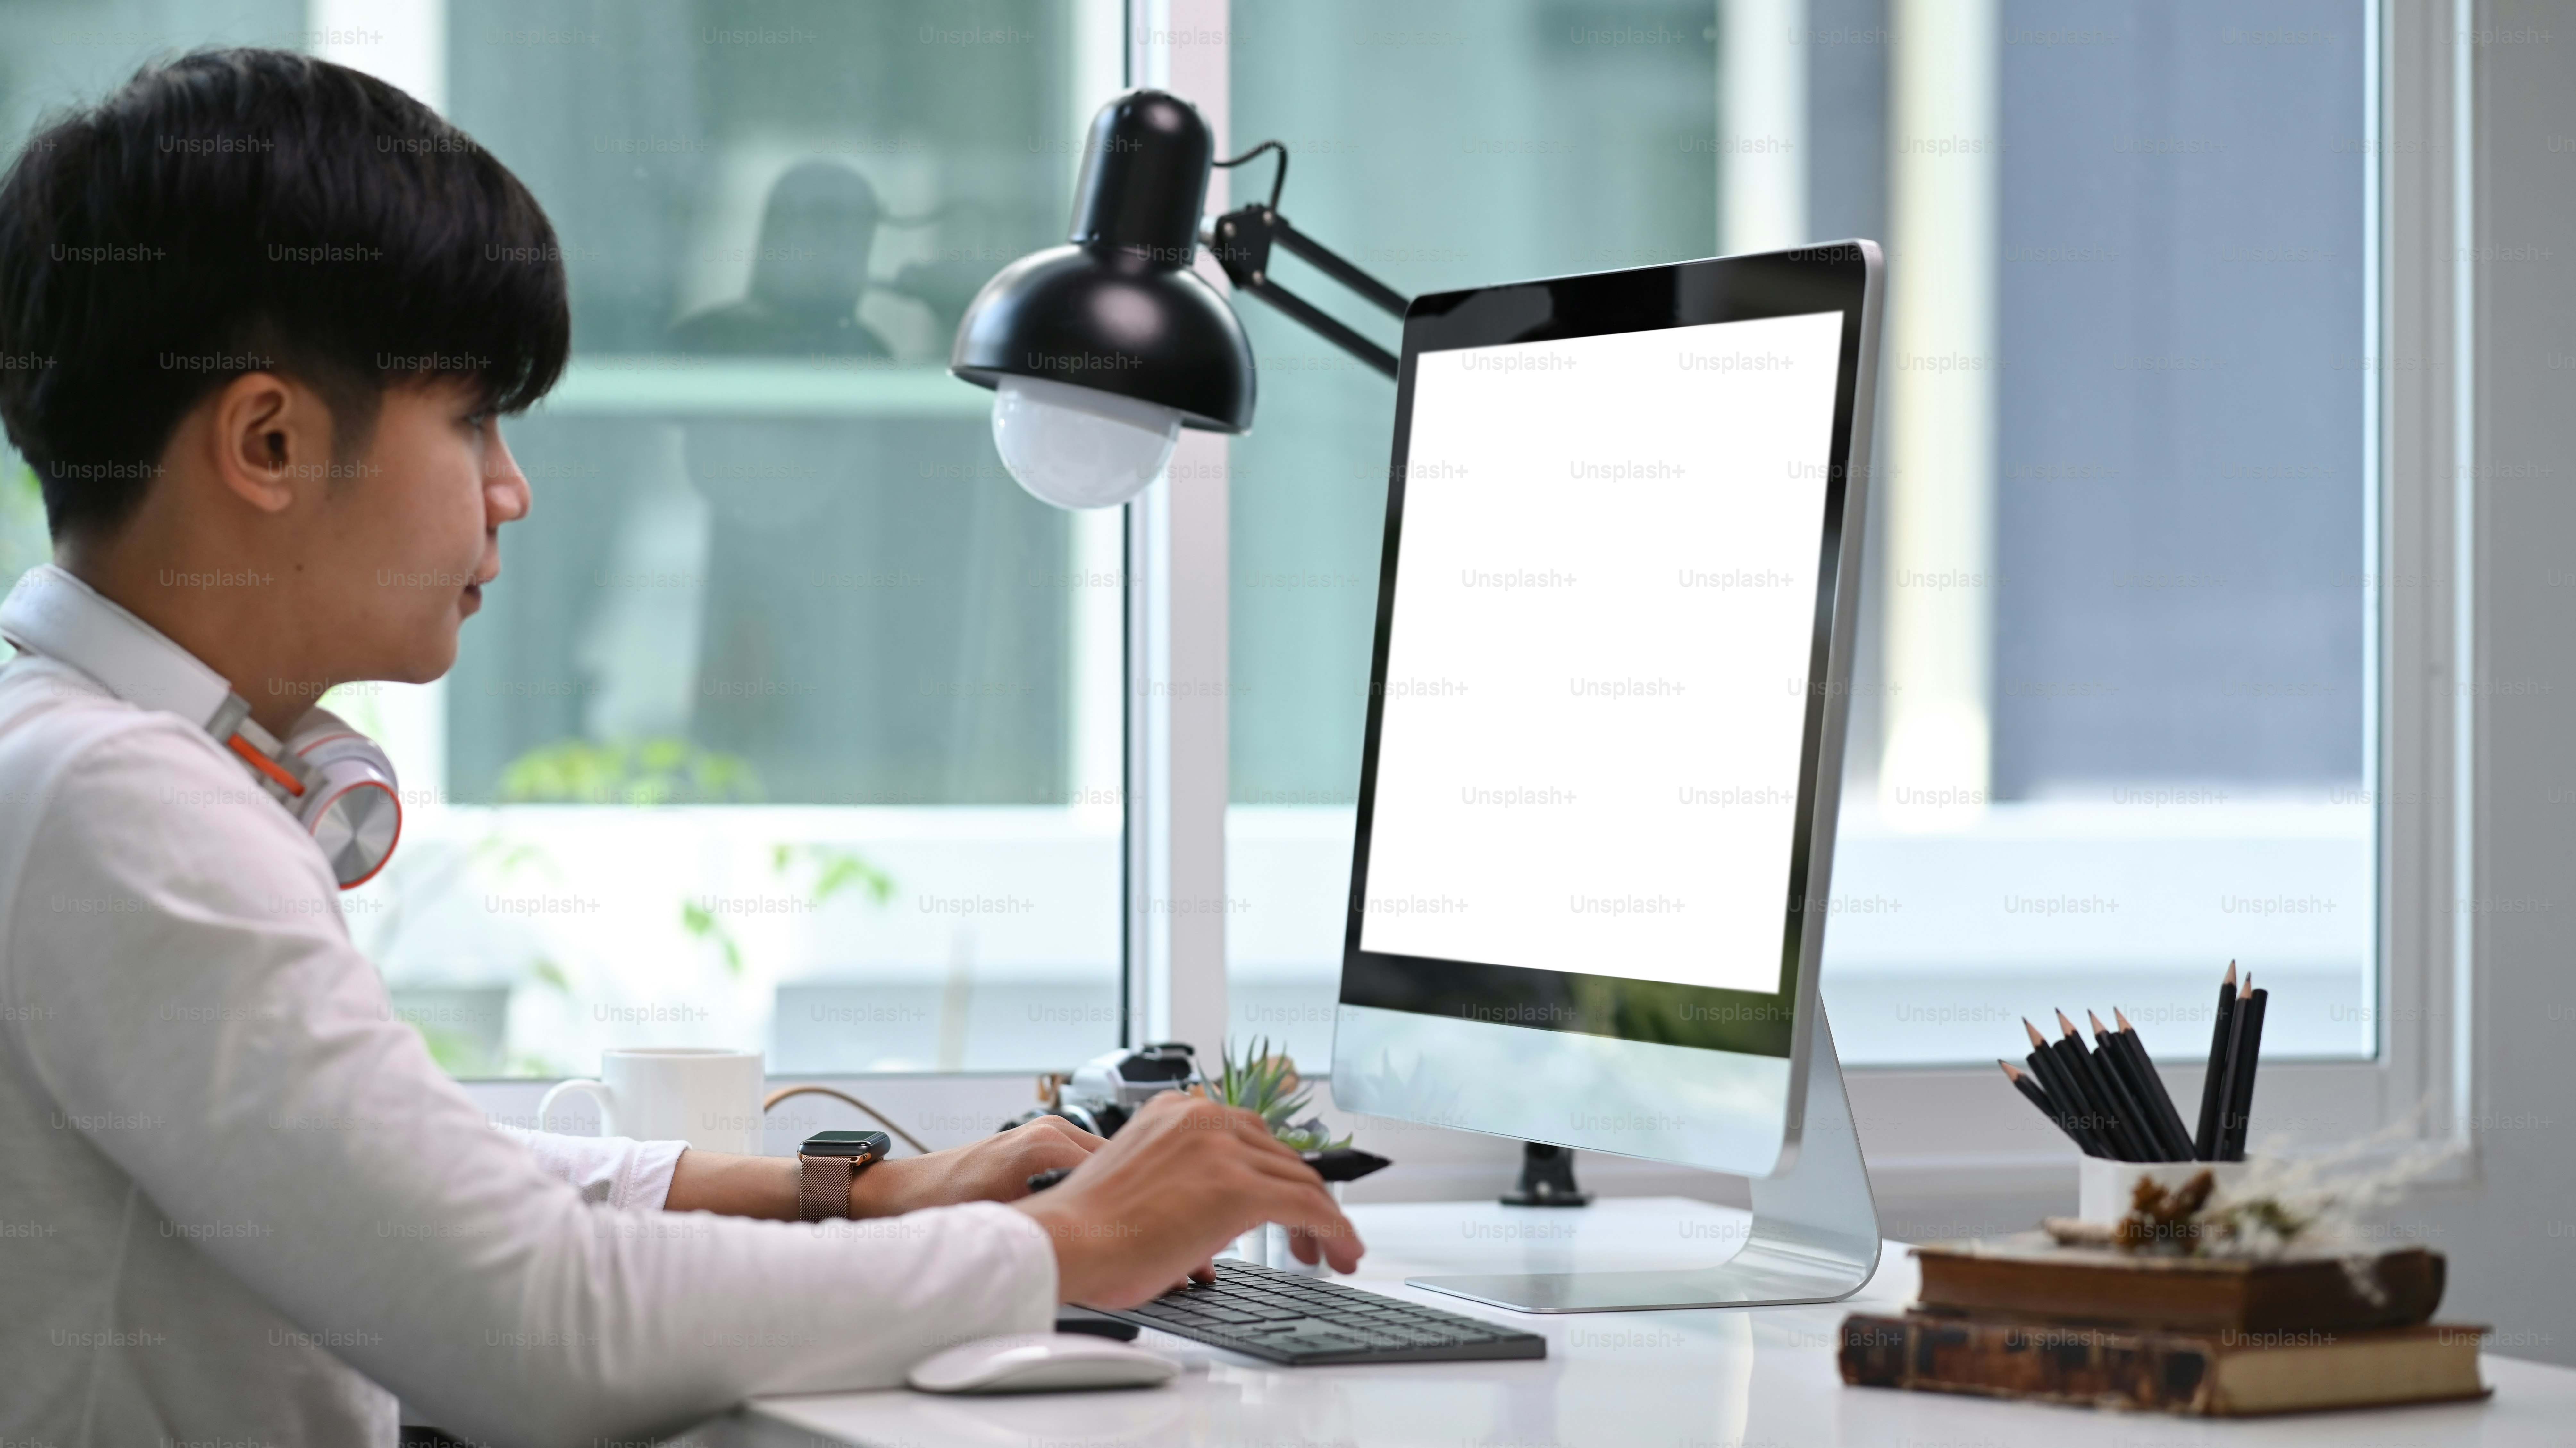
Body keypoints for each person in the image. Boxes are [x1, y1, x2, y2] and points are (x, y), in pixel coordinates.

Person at [0, 49, 1361, 1448]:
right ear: (270, 442)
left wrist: (855, 1190)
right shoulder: (132, 802)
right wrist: (1073, 1244)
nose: (511, 489)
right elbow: (538, 1324)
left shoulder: (85, 758)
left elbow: (416, 1181)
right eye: (470, 421)